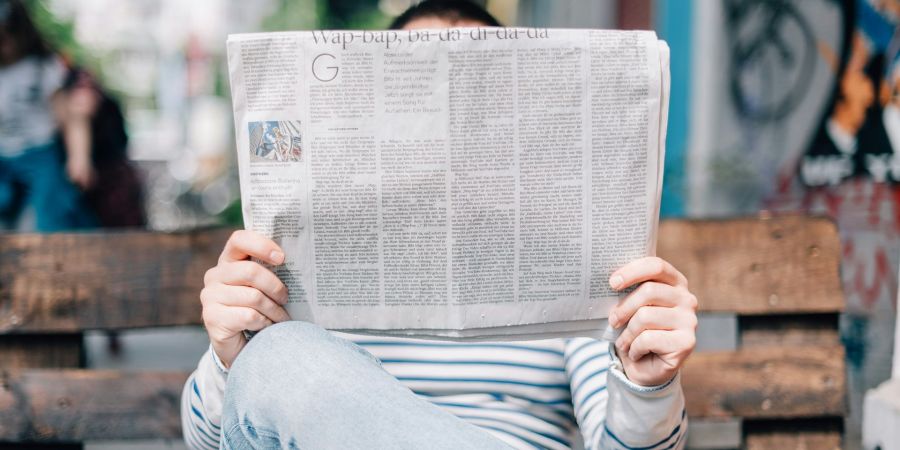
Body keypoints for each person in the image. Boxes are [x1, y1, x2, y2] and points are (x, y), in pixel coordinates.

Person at [182, 2, 697, 449]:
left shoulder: (572, 263)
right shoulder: (299, 260)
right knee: (279, 358)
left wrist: (646, 385)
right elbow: (217, 440)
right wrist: (231, 356)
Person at [0, 0, 97, 231]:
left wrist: (79, 158)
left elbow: (71, 118)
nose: (5, 45)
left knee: (49, 212)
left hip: (40, 153)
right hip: (3, 156)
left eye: (8, 36)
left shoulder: (42, 67)